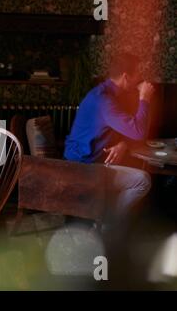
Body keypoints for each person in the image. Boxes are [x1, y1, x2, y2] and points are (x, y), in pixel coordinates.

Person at [64, 53, 153, 221]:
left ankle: (105, 216)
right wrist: (145, 98)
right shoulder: (104, 101)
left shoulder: (106, 94)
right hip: (84, 168)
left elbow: (119, 129)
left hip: (90, 161)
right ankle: (108, 221)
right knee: (143, 180)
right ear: (126, 77)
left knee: (134, 165)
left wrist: (123, 144)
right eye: (138, 76)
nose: (140, 81)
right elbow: (139, 132)